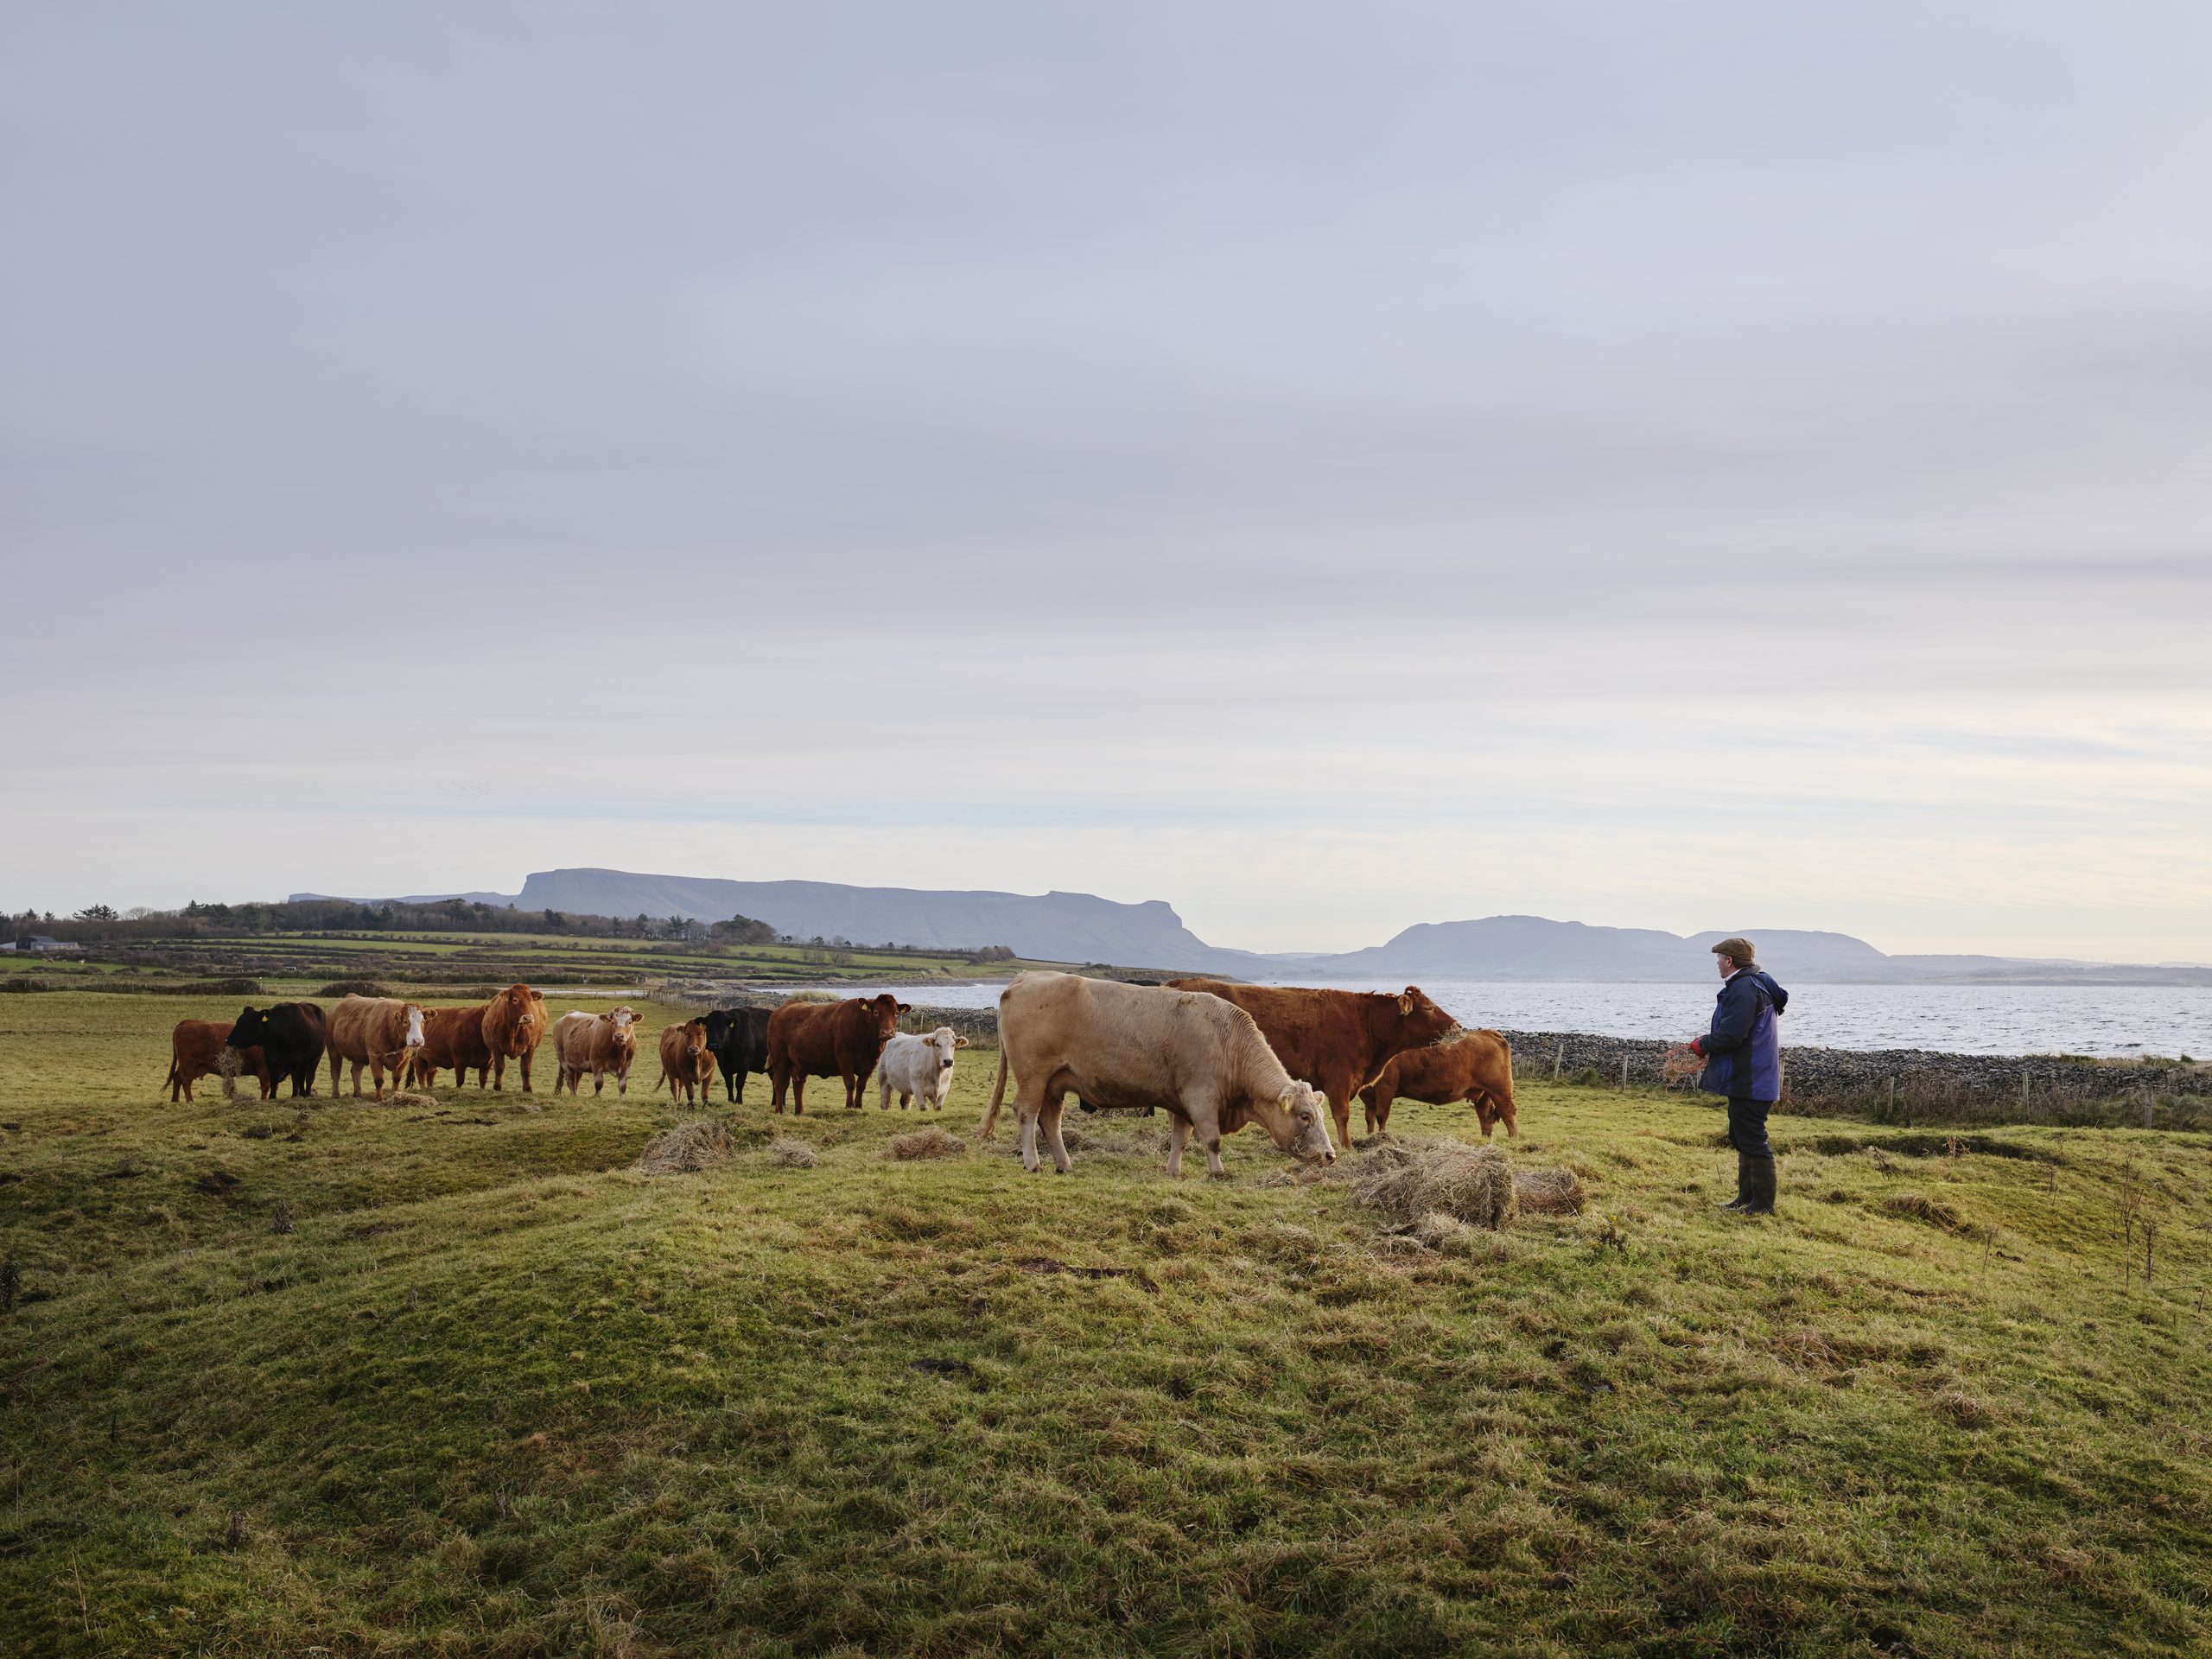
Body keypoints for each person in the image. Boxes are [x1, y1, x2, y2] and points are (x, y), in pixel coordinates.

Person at [1688, 937, 1789, 1215]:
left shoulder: (1744, 988)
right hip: (1752, 1074)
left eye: (1719, 959)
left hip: (1751, 1076)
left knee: (1753, 1136)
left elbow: (1732, 1035)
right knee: (1741, 1135)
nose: (1717, 964)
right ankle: (1746, 1198)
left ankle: (1762, 1205)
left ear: (1729, 960)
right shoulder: (1757, 982)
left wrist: (1702, 1044)